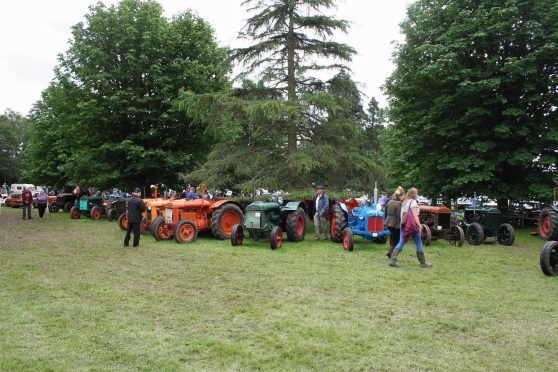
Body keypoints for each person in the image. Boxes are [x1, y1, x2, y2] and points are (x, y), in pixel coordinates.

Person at [389, 187, 432, 268]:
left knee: (401, 242)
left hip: (403, 225)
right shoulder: (413, 202)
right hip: (411, 226)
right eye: (416, 193)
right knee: (418, 242)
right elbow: (415, 215)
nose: (417, 194)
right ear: (414, 194)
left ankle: (392, 260)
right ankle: (422, 263)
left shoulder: (405, 202)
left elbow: (403, 215)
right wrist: (419, 224)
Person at [384, 186, 405, 258]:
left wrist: (386, 220)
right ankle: (391, 254)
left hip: (388, 222)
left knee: (393, 237)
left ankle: (390, 252)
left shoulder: (390, 201)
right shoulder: (400, 204)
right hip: (396, 223)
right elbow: (400, 215)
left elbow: (385, 212)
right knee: (397, 239)